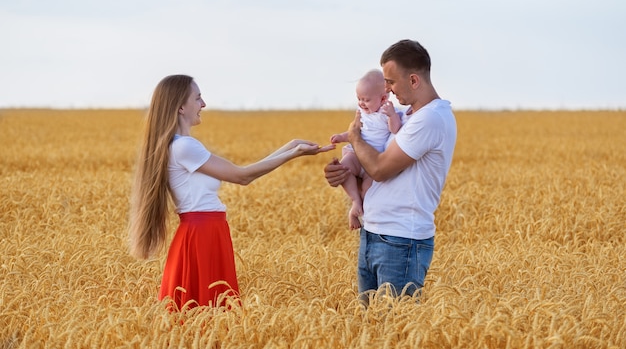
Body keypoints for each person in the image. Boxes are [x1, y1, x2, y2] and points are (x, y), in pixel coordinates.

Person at [129, 74, 334, 310]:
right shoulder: (185, 147)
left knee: (204, 313)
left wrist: (289, 147)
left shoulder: (179, 146)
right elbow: (242, 176)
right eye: (198, 98)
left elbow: (244, 172)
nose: (203, 105)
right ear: (181, 107)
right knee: (207, 313)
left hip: (205, 231)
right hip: (202, 235)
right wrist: (292, 154)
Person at [324, 39, 457, 303]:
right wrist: (344, 173)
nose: (387, 89)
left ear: (414, 80)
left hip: (401, 242)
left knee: (395, 331)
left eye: (391, 82)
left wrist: (354, 137)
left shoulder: (430, 119)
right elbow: (371, 169)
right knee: (372, 330)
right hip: (373, 233)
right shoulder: (404, 116)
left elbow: (381, 169)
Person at [329, 69, 402, 230]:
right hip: (356, 155)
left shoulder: (387, 112)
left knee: (369, 190)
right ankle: (355, 201)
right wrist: (341, 137)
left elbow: (395, 129)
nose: (361, 103)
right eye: (359, 99)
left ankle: (360, 209)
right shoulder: (361, 113)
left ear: (383, 98)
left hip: (373, 161)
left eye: (366, 99)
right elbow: (354, 133)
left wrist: (391, 116)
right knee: (344, 168)